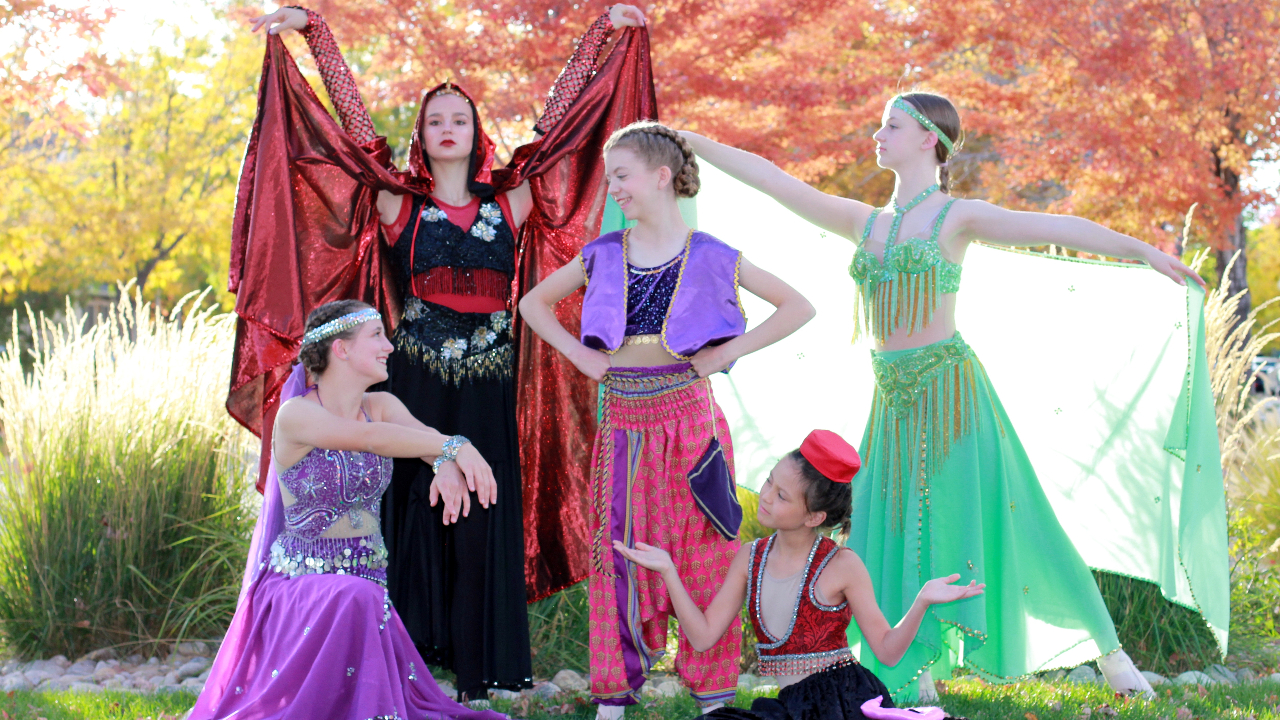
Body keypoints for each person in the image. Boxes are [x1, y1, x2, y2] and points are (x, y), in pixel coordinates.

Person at [678, 92, 1205, 701]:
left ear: (929, 138)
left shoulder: (957, 217)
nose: (878, 134)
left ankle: (1113, 658)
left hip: (953, 398)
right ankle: (916, 668)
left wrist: (1142, 251)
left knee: (1010, 521)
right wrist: (692, 141)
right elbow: (774, 181)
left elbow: (1057, 228)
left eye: (892, 125)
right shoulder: (864, 222)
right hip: (893, 403)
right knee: (887, 524)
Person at [241, 5, 651, 700]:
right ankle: (406, 663)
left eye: (459, 116)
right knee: (409, 507)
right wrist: (313, 33)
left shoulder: (512, 201)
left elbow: (564, 126)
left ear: (477, 132)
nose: (448, 126)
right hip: (417, 379)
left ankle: (484, 670)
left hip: (491, 379)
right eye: (434, 119)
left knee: (484, 506)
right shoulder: (399, 207)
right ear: (422, 138)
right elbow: (351, 131)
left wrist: (605, 37)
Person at [519, 121, 816, 717]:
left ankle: (713, 700)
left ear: (661, 177)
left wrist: (729, 351)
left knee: (705, 546)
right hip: (625, 419)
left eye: (622, 176)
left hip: (689, 421)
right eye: (611, 180)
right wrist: (579, 351)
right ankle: (612, 699)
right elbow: (532, 304)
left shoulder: (711, 255)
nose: (615, 190)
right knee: (620, 549)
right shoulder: (602, 254)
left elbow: (798, 306)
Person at [191, 300, 506, 720]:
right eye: (376, 336)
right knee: (355, 596)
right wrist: (454, 446)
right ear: (340, 349)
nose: (389, 346)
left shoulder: (382, 406)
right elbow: (372, 439)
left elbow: (421, 436)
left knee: (360, 596)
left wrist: (443, 463)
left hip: (366, 584)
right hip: (300, 588)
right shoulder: (296, 415)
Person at [616, 429, 983, 720]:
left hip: (842, 700)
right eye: (769, 482)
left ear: (814, 518)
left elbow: (887, 652)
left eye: (782, 496)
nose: (766, 497)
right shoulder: (751, 557)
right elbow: (702, 637)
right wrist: (668, 571)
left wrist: (921, 602)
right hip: (792, 705)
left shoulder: (842, 565)